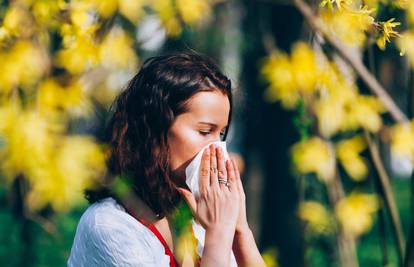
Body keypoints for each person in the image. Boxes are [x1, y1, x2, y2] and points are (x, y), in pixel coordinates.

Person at [67, 52, 266, 267]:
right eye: (205, 131)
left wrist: (239, 230)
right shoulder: (110, 227)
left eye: (221, 134)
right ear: (155, 129)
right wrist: (218, 234)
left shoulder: (196, 215)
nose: (218, 150)